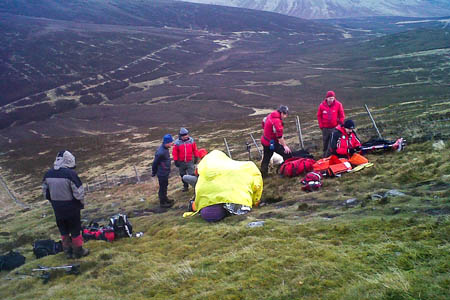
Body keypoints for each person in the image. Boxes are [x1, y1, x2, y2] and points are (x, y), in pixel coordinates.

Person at [42, 150, 88, 259]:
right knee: (75, 229)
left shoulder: (48, 174)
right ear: (69, 161)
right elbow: (79, 193)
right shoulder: (71, 174)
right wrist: (80, 204)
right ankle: (78, 251)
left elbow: (46, 193)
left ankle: (67, 251)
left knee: (63, 230)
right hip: (72, 207)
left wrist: (54, 202)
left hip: (57, 208)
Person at [260, 105, 292, 177]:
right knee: (287, 154)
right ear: (282, 113)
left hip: (265, 140)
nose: (286, 116)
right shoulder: (277, 121)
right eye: (285, 114)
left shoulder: (270, 115)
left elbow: (263, 122)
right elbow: (279, 136)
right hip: (271, 143)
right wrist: (285, 146)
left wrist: (267, 132)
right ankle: (285, 171)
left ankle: (263, 175)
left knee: (266, 157)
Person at [317, 90, 345, 157]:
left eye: (332, 98)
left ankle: (332, 156)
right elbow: (319, 116)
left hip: (334, 128)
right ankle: (325, 156)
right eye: (330, 98)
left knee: (333, 143)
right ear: (326, 98)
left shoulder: (338, 105)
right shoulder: (322, 105)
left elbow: (342, 116)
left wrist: (339, 125)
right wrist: (321, 125)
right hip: (325, 128)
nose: (331, 100)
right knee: (325, 142)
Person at [152, 134, 175, 208]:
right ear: (167, 142)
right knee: (162, 187)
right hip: (162, 173)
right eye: (171, 142)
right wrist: (154, 172)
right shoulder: (160, 152)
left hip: (165, 171)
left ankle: (165, 199)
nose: (172, 144)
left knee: (165, 186)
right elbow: (155, 163)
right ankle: (162, 203)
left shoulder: (165, 149)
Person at [172, 128, 199, 192]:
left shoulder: (191, 141)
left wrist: (196, 156)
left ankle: (195, 187)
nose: (186, 136)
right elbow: (175, 153)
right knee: (182, 175)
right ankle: (185, 187)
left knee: (192, 174)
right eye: (184, 135)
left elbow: (195, 149)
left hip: (190, 161)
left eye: (186, 135)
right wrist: (176, 160)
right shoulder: (177, 143)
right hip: (181, 162)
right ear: (181, 136)